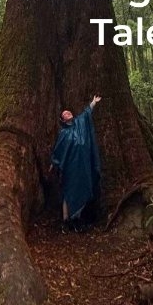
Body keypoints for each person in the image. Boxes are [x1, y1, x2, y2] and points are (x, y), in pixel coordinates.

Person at [50, 95, 101, 231]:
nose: (68, 112)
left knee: (83, 188)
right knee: (69, 192)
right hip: (70, 169)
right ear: (63, 119)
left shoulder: (80, 123)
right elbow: (58, 150)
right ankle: (66, 220)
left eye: (69, 111)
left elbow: (86, 114)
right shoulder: (63, 133)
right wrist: (54, 162)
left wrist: (93, 103)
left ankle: (77, 219)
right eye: (65, 113)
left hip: (82, 166)